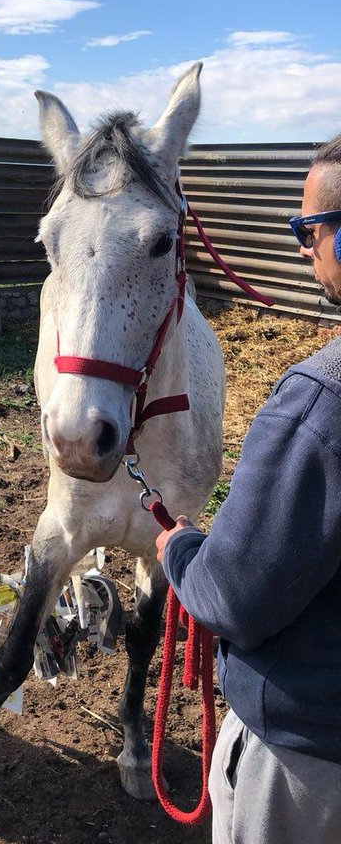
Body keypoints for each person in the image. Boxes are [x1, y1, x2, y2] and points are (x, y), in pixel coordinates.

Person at [155, 133, 341, 844]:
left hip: (309, 755)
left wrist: (182, 550)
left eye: (308, 231)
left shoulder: (319, 403)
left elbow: (236, 596)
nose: (301, 248)